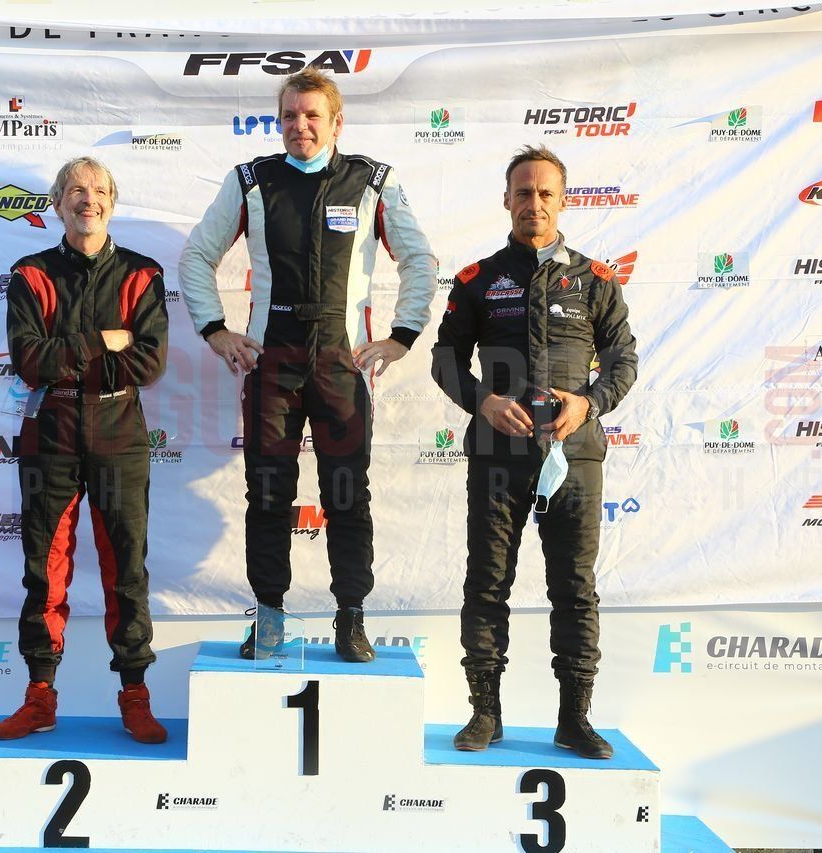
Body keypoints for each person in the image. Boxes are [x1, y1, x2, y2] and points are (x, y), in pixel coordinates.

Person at [179, 68, 437, 662]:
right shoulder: (251, 180)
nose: (300, 126)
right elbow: (197, 256)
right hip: (272, 367)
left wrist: (401, 336)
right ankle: (269, 617)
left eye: (312, 115)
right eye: (290, 115)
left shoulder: (372, 180)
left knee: (346, 494)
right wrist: (215, 329)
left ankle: (351, 617)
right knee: (269, 494)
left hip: (342, 367)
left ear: (336, 122)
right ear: (279, 121)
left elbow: (419, 259)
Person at [431, 145, 638, 757]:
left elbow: (624, 361)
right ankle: (484, 714)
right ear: (506, 200)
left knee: (574, 589)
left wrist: (589, 404)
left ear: (563, 201)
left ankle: (574, 719)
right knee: (487, 583)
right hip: (498, 457)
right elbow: (445, 359)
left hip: (575, 458)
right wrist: (483, 401)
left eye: (546, 193)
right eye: (524, 193)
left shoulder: (596, 280)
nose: (534, 204)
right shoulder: (478, 279)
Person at [0, 156, 169, 744]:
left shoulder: (142, 273)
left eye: (98, 190)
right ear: (57, 204)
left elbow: (149, 363)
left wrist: (69, 352)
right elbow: (29, 360)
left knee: (127, 569)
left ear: (112, 203)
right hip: (52, 433)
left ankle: (135, 694)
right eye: (75, 190)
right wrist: (102, 340)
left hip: (119, 432)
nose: (87, 199)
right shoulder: (30, 274)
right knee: (44, 572)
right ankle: (39, 696)